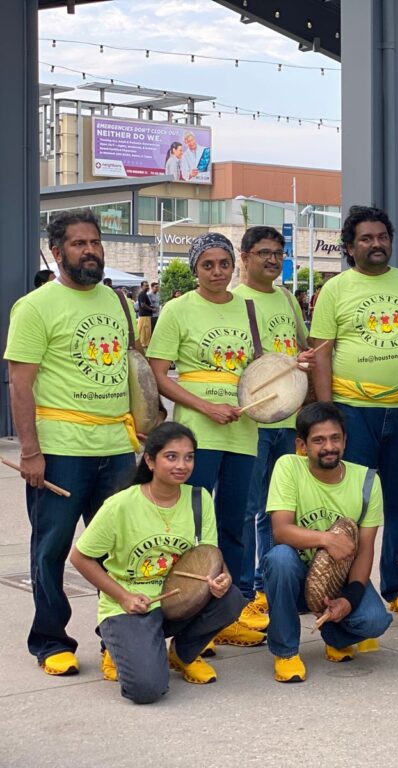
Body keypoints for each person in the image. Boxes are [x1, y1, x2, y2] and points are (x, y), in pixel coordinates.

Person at [5, 209, 140, 675]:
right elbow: (20, 384)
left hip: (117, 448)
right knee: (51, 549)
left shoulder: (119, 302)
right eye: (79, 244)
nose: (90, 251)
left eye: (95, 242)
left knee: (119, 549)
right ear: (57, 252)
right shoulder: (35, 306)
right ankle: (50, 640)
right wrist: (30, 452)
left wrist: (143, 428)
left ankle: (114, 638)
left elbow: (130, 370)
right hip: (61, 450)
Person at [146, 232, 265, 647]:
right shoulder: (178, 310)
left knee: (234, 524)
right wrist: (206, 407)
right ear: (195, 268)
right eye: (208, 265)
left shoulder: (249, 309)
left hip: (243, 432)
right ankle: (189, 613)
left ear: (235, 266)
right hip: (197, 434)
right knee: (193, 525)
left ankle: (227, 613)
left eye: (224, 264)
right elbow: (159, 375)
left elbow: (259, 371)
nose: (217, 272)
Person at [69, 423, 245, 702]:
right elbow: (80, 557)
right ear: (150, 461)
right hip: (132, 607)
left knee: (231, 599)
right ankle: (120, 645)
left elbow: (210, 555)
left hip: (180, 602)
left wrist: (223, 578)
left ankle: (182, 654)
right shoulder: (120, 505)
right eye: (171, 457)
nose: (182, 465)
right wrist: (124, 597)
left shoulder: (199, 499)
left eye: (189, 457)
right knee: (147, 689)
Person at [309, 206, 398, 618]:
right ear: (348, 247)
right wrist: (329, 413)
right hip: (351, 412)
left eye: (382, 237)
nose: (376, 244)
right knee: (350, 504)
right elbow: (321, 354)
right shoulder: (335, 289)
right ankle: (339, 590)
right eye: (366, 239)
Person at [262, 403, 393, 682]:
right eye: (319, 440)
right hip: (297, 575)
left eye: (335, 438)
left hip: (339, 579)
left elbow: (364, 550)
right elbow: (281, 531)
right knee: (279, 559)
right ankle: (285, 652)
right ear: (302, 445)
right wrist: (327, 539)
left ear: (345, 440)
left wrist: (349, 599)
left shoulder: (368, 481)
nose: (329, 447)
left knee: (375, 621)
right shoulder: (288, 467)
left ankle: (335, 635)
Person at [234, 226, 317, 629]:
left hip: (288, 417)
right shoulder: (235, 300)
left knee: (278, 507)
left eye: (277, 253)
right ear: (245, 256)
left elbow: (302, 344)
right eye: (263, 252)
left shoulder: (285, 298)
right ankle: (245, 593)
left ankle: (270, 583)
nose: (272, 259)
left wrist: (307, 359)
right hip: (253, 420)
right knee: (248, 508)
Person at [137, 280, 153, 349]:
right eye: (146, 286)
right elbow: (142, 305)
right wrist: (151, 309)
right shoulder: (142, 294)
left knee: (146, 330)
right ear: (141, 286)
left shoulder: (144, 294)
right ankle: (143, 343)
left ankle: (144, 343)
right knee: (144, 331)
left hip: (145, 315)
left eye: (148, 285)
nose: (147, 287)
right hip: (144, 316)